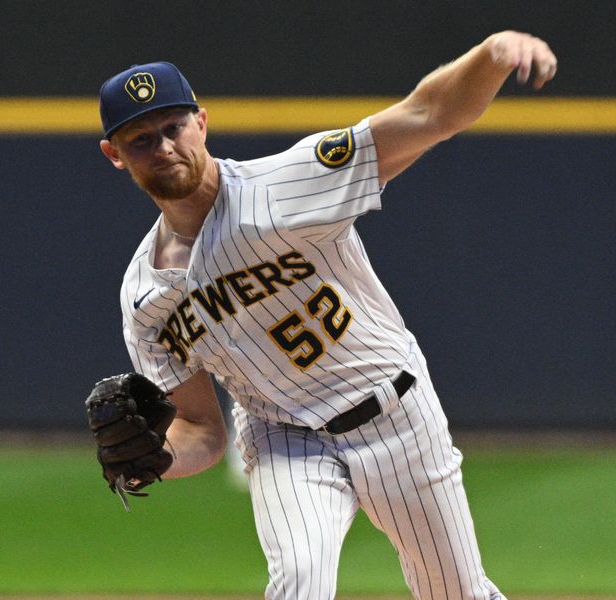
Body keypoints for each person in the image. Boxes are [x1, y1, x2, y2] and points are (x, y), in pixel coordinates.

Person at [97, 30, 556, 600]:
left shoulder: (288, 184)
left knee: (455, 592)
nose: (164, 146)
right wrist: (159, 458)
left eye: (174, 127)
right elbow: (201, 430)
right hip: (285, 439)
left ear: (202, 123)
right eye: (141, 139)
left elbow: (429, 112)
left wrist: (491, 56)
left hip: (396, 413)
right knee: (297, 587)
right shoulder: (144, 296)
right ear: (114, 155)